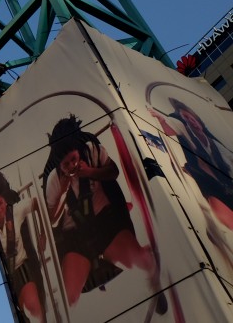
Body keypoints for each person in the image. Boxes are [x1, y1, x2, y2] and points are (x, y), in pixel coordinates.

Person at [44, 115, 160, 310]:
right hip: (75, 237)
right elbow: (51, 220)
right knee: (69, 297)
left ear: (77, 151)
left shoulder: (92, 151)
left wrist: (89, 172)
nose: (71, 166)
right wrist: (63, 191)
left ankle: (156, 288)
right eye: (66, 165)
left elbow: (113, 172)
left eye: (73, 159)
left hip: (106, 222)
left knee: (140, 264)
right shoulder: (54, 180)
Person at [153, 98, 233, 231]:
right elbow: (170, 127)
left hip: (227, 185)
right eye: (186, 118)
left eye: (192, 117)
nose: (191, 121)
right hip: (212, 190)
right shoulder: (188, 136)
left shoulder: (216, 145)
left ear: (199, 121)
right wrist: (161, 120)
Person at [0, 172, 44, 323]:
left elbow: (36, 202)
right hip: (4, 279)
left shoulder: (15, 211)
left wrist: (43, 234)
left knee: (35, 309)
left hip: (22, 267)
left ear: (5, 201)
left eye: (0, 204)